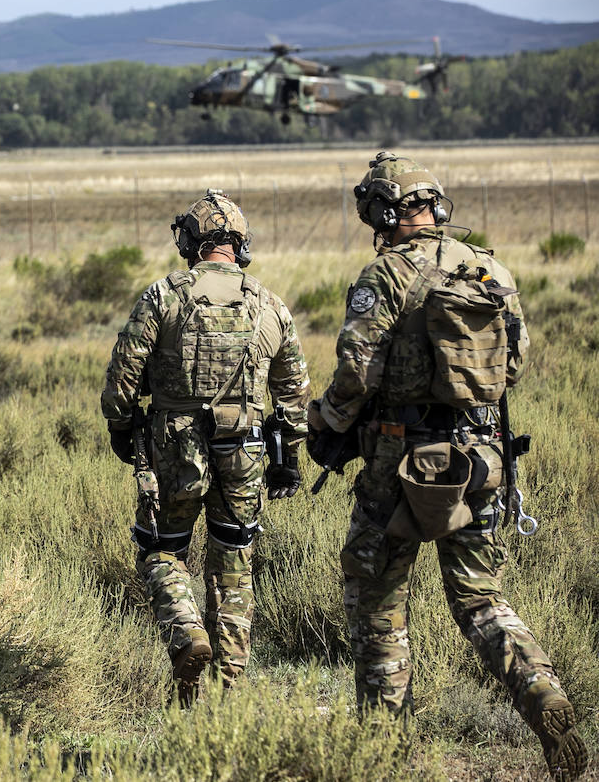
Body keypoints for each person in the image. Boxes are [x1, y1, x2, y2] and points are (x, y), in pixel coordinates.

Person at [308, 153, 586, 780]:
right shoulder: (489, 267)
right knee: (481, 600)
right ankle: (543, 692)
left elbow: (356, 373)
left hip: (396, 465)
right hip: (481, 462)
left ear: (383, 209)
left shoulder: (384, 275)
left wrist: (324, 422)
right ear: (435, 205)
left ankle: (384, 751)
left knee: (377, 597)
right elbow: (513, 364)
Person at [101, 190, 309, 706]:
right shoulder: (269, 303)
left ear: (192, 242)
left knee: (161, 549)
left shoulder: (162, 296)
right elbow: (295, 390)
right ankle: (225, 685)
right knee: (234, 559)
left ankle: (186, 629)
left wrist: (122, 426)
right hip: (245, 449)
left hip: (174, 448)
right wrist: (290, 452)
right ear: (240, 245)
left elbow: (122, 377)